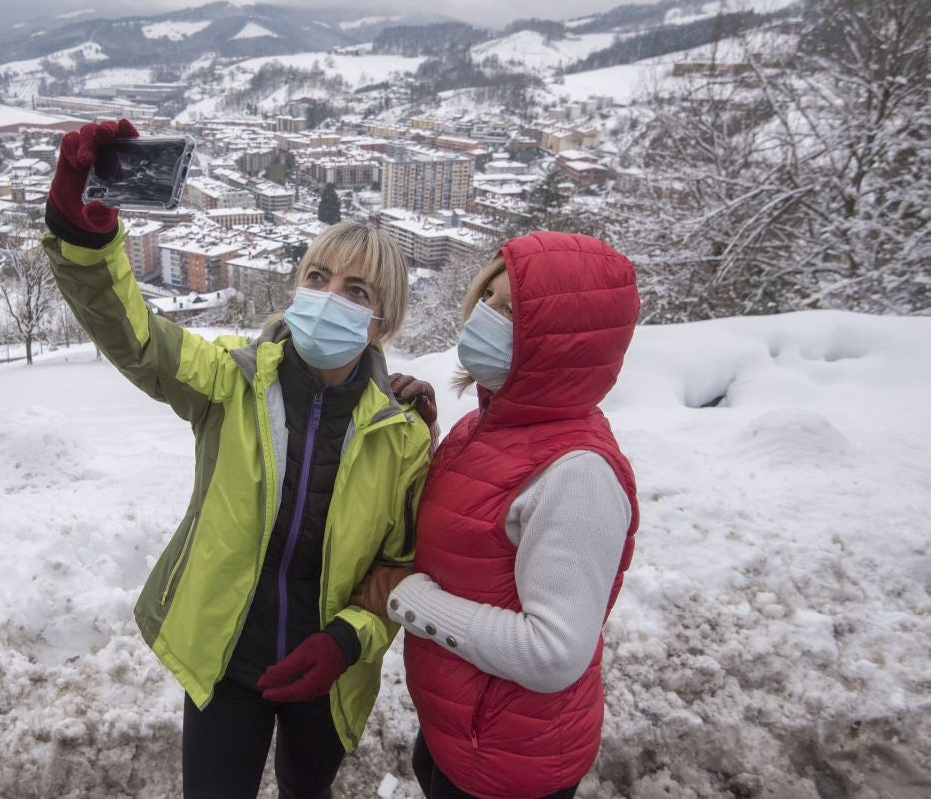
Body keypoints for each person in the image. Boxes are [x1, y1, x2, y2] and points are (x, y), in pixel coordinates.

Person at [41, 119, 434, 799]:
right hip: (226, 664)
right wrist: (85, 229)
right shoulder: (231, 379)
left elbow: (399, 570)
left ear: (384, 323)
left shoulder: (404, 437)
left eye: (358, 291)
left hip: (327, 676)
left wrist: (344, 642)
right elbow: (135, 337)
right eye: (318, 276)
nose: (329, 297)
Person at [354, 231, 640, 799]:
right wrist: (416, 431)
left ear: (564, 342)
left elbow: (553, 653)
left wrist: (402, 597)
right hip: (462, 729)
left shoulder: (577, 475)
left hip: (511, 761)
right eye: (487, 298)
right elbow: (465, 530)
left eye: (511, 310)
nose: (484, 317)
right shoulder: (488, 428)